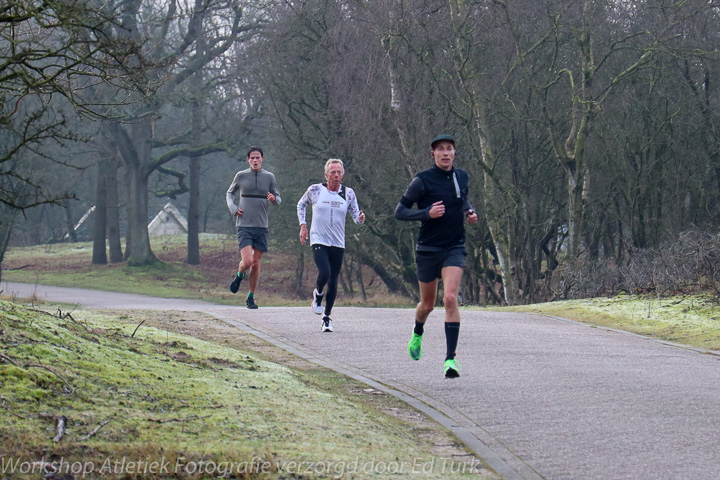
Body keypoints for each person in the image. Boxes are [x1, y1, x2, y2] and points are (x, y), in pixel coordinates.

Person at [394, 134, 477, 378]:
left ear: (454, 153)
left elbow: (463, 199)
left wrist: (470, 212)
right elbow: (400, 212)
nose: (445, 153)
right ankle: (417, 333)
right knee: (427, 305)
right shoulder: (422, 180)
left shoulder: (461, 176)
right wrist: (427, 213)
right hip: (428, 248)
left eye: (449, 149)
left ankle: (450, 360)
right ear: (433, 154)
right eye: (440, 149)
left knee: (450, 299)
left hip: (454, 246)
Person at [297, 159, 365, 332]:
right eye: (333, 172)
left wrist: (360, 219)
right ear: (326, 175)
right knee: (325, 272)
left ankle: (326, 318)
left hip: (338, 242)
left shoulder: (348, 193)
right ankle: (318, 293)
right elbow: (301, 204)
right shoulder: (316, 190)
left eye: (339, 172)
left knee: (334, 281)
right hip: (319, 239)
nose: (336, 176)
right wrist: (303, 226)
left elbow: (356, 216)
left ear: (343, 175)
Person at [226, 146, 281, 309]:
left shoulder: (269, 177)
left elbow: (278, 198)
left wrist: (273, 199)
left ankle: (250, 297)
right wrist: (233, 208)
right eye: (252, 158)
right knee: (248, 261)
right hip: (244, 225)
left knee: (256, 264)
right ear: (248, 160)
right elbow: (229, 193)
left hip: (262, 226)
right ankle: (239, 275)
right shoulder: (241, 176)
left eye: (258, 157)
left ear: (262, 159)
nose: (255, 160)